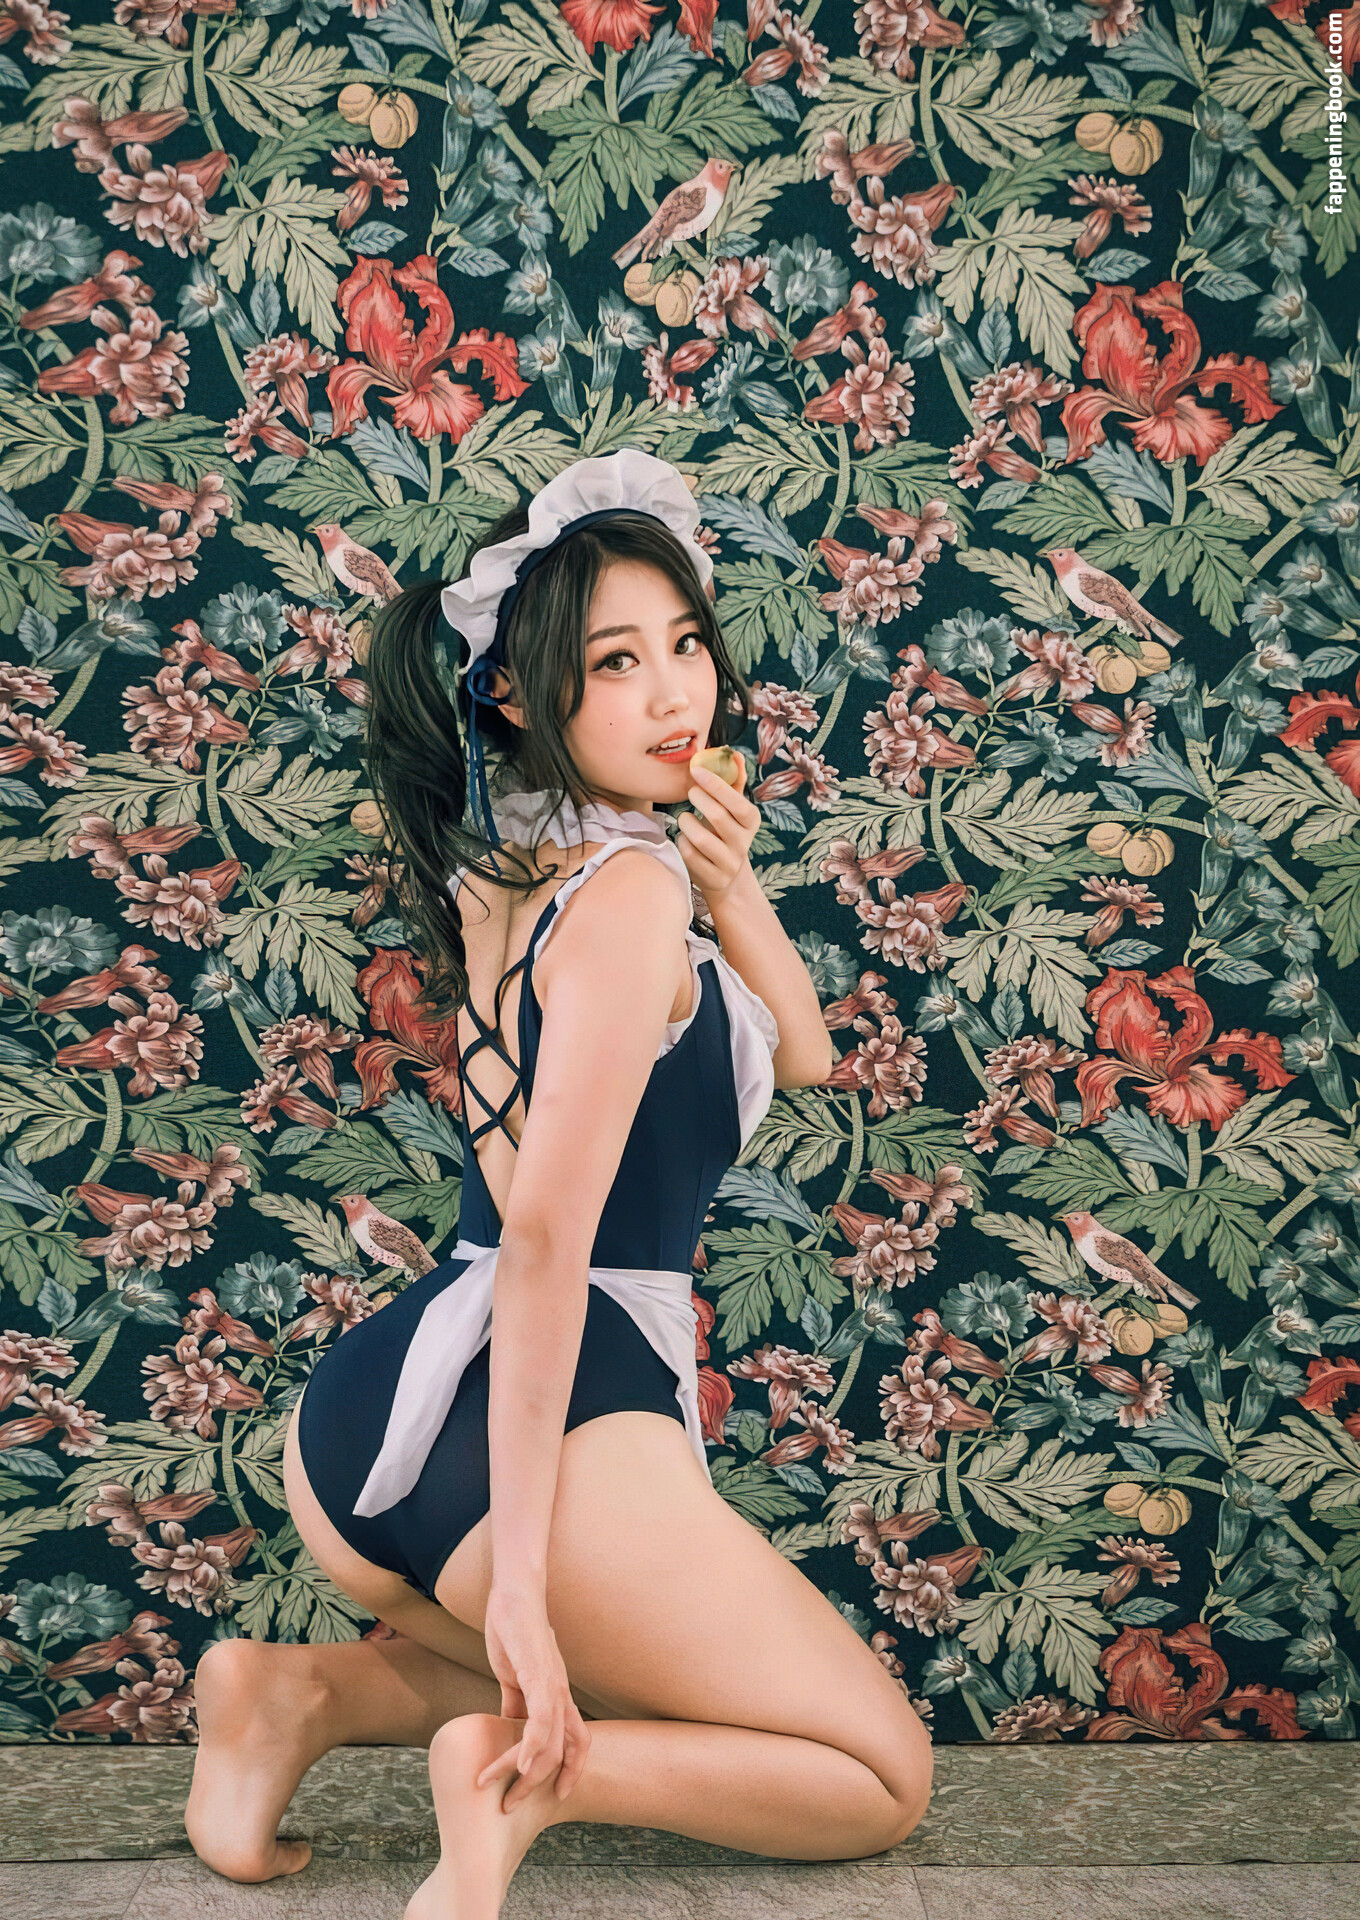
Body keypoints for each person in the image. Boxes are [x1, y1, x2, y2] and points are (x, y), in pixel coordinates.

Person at [184, 450, 934, 1912]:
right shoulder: (628, 897)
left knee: (630, 1661)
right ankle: (522, 1774)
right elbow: (543, 1245)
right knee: (875, 1775)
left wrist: (733, 884)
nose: (675, 697)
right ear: (523, 699)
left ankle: (299, 1697)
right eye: (616, 663)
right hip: (544, 1396)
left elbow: (809, 1057)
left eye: (686, 645)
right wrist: (521, 1583)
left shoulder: (530, 881)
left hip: (375, 1419)